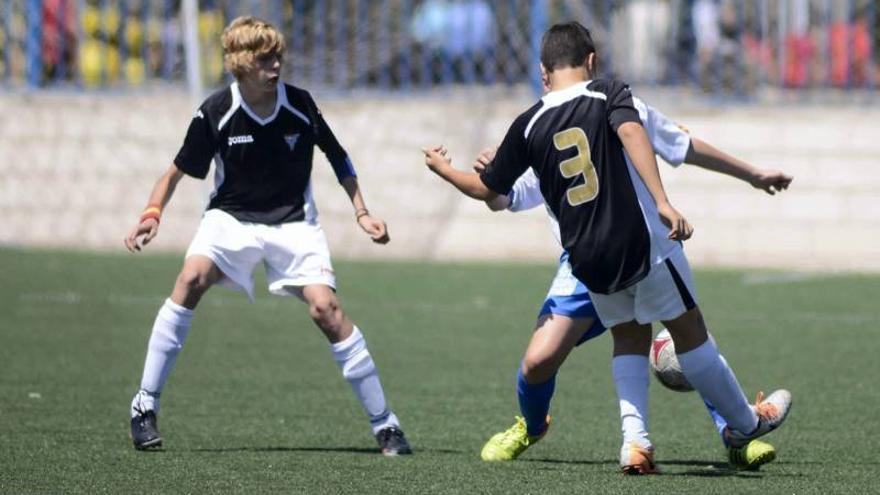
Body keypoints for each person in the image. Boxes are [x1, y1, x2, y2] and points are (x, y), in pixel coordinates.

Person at [422, 21, 791, 474]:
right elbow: (509, 192)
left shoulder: (530, 123)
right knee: (686, 330)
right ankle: (743, 424)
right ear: (593, 61)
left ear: (543, 71)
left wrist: (447, 169)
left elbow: (489, 191)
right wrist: (663, 201)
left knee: (632, 335)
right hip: (634, 244)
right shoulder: (611, 96)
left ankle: (649, 443)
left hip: (589, 259)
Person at [124, 16, 411, 456]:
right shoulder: (217, 111)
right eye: (264, 59)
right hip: (231, 220)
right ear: (241, 64)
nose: (275, 65)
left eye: (277, 56)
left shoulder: (299, 105)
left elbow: (339, 159)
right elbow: (173, 173)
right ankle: (145, 405)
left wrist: (362, 213)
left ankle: (385, 424)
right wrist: (151, 213)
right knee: (189, 279)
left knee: (327, 309)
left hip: (294, 223)